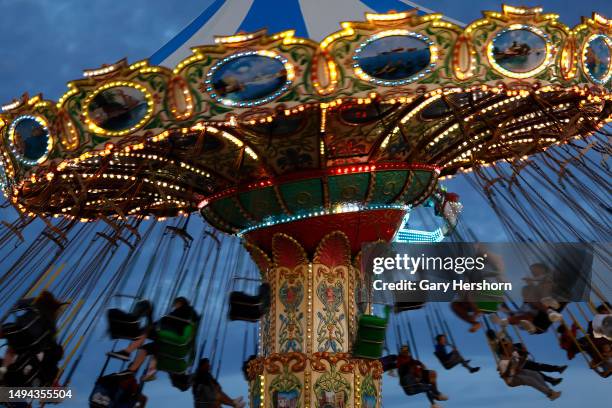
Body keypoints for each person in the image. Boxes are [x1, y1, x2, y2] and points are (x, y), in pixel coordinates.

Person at [109, 297, 199, 381]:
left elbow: (169, 321)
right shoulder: (190, 313)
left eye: (175, 304)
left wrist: (156, 324)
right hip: (172, 340)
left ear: (179, 303)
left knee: (146, 329)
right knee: (146, 349)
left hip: (171, 333)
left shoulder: (184, 310)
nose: (174, 306)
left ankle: (127, 351)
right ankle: (138, 371)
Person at [0, 291, 67, 383]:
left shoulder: (37, 301)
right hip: (33, 344)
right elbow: (51, 340)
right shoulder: (52, 321)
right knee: (16, 348)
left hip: (21, 331)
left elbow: (20, 303)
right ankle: (7, 370)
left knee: (9, 338)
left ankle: (4, 368)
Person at [497, 340, 561, 401]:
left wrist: (523, 357)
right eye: (510, 348)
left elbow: (518, 367)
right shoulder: (502, 362)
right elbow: (504, 375)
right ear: (505, 349)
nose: (512, 349)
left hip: (517, 373)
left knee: (535, 373)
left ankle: (550, 391)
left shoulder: (513, 356)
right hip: (512, 379)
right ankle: (549, 394)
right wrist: (509, 366)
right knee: (530, 379)